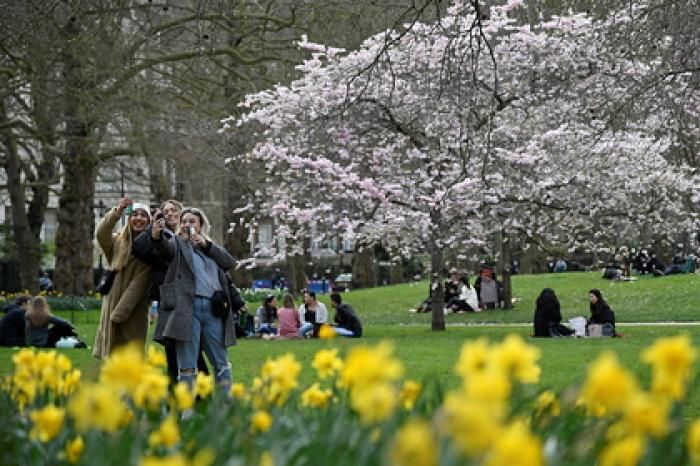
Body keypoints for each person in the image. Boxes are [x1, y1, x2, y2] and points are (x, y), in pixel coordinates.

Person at [152, 206, 236, 390]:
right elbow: (165, 248)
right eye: (183, 222)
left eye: (191, 221)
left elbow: (229, 263)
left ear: (201, 225)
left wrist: (206, 245)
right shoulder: (177, 244)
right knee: (187, 362)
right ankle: (187, 410)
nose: (186, 225)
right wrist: (157, 235)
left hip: (213, 310)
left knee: (221, 360)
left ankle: (226, 406)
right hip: (188, 310)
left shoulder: (210, 247)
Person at [132, 199, 209, 385]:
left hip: (190, 297)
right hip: (170, 298)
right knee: (172, 347)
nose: (169, 213)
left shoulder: (192, 237)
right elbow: (139, 249)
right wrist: (153, 227)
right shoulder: (162, 235)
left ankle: (202, 389)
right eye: (165, 211)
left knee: (192, 347)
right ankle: (178, 390)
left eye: (173, 210)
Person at [94, 198, 153, 358]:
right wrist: (117, 211)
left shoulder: (152, 247)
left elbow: (140, 283)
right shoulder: (117, 242)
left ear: (149, 221)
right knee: (111, 358)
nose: (139, 218)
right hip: (111, 302)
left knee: (130, 357)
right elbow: (101, 234)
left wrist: (120, 313)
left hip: (133, 309)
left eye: (143, 215)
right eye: (135, 214)